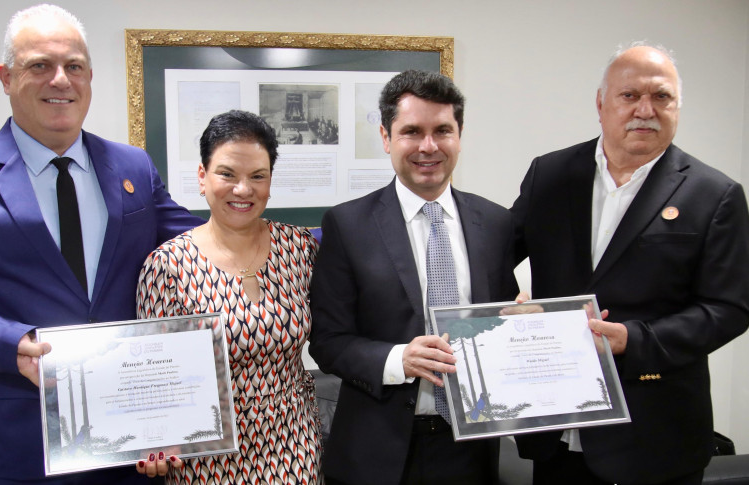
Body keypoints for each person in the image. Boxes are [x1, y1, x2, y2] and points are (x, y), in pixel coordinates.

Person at [0, 4, 203, 484]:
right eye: (40, 65)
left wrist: (344, 232)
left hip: (132, 442)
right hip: (21, 446)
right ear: (6, 76)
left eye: (74, 66)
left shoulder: (133, 167)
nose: (61, 80)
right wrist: (8, 343)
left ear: (90, 76)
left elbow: (204, 241)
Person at [511, 42, 749, 485]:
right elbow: (496, 252)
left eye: (662, 97)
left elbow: (728, 309)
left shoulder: (714, 194)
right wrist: (508, 310)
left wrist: (633, 340)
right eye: (629, 95)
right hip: (557, 428)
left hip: (655, 437)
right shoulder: (551, 174)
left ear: (677, 107)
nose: (646, 109)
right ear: (601, 104)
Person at [308, 70, 519, 485]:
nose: (428, 146)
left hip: (471, 451)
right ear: (387, 138)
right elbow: (328, 343)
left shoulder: (495, 223)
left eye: (442, 130)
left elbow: (499, 323)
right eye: (411, 131)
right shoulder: (348, 225)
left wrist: (519, 323)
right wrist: (397, 360)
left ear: (459, 135)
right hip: (376, 453)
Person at [135, 110, 322, 484]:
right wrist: (150, 440)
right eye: (227, 174)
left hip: (295, 447)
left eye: (257, 176)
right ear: (202, 177)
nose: (243, 190)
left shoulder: (300, 248)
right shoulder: (167, 266)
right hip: (207, 460)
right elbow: (151, 375)